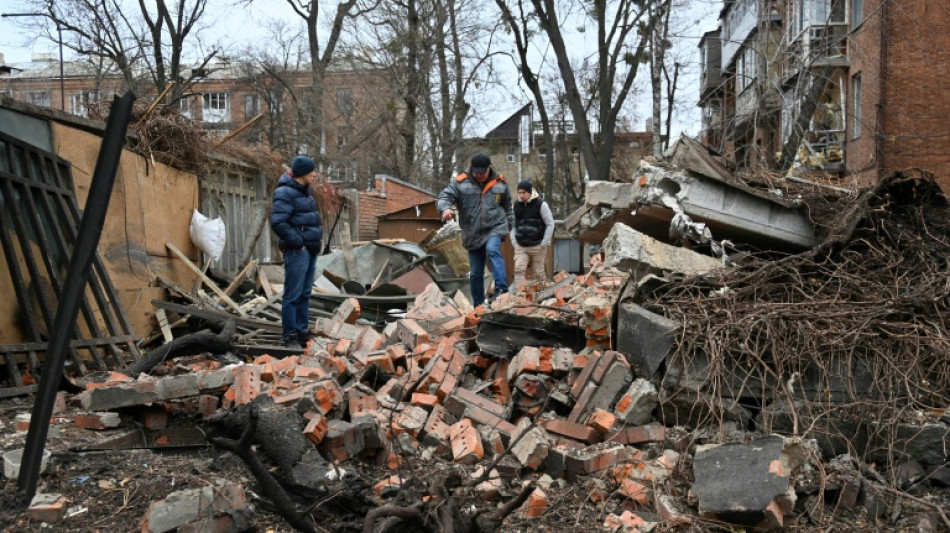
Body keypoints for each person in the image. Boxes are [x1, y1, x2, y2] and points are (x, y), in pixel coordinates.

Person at [437, 153, 514, 307]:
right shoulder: (460, 183)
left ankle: (501, 289)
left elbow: (508, 207)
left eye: (482, 173)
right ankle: (478, 306)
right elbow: (444, 197)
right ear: (472, 169)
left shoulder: (500, 183)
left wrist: (509, 227)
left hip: (495, 226)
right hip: (472, 232)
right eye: (476, 172)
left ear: (489, 169)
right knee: (476, 272)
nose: (479, 176)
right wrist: (445, 209)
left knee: (492, 250)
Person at [270, 156, 323, 348]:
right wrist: (298, 243)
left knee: (304, 293)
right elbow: (278, 222)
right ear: (302, 173)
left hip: (309, 250)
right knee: (292, 294)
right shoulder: (285, 192)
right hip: (297, 251)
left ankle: (301, 332)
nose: (314, 174)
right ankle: (289, 335)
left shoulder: (305, 192)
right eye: (311, 171)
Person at [510, 179, 554, 291]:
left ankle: (542, 296)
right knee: (519, 270)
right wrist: (514, 242)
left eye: (523, 192)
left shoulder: (541, 205)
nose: (521, 195)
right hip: (521, 246)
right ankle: (520, 295)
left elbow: (550, 224)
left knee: (538, 273)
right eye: (519, 192)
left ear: (530, 192)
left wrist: (544, 243)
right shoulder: (516, 205)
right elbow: (512, 225)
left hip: (537, 245)